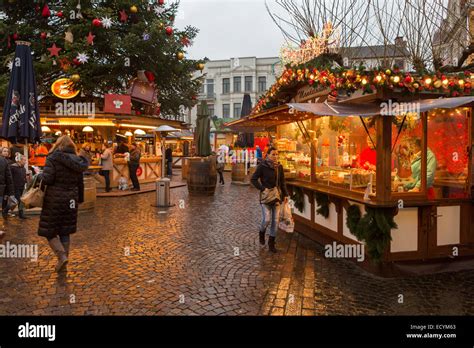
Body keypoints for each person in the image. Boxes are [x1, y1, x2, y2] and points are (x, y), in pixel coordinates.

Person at [37, 135, 88, 272]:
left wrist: (39, 175)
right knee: (65, 230)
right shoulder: (78, 161)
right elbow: (80, 184)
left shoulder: (53, 158)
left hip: (54, 198)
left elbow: (47, 179)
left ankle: (61, 256)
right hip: (71, 199)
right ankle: (63, 261)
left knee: (49, 230)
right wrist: (80, 199)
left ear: (58, 145)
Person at [251, 147, 289, 253]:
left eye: (277, 154)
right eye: (273, 154)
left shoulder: (279, 167)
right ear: (267, 155)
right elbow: (253, 179)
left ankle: (271, 243)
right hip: (266, 197)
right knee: (266, 219)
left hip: (277, 197)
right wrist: (263, 189)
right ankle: (261, 232)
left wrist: (285, 194)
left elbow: (282, 182)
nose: (275, 156)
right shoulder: (262, 166)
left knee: (275, 221)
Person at [9, 154, 29, 219]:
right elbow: (9, 177)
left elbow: (24, 178)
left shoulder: (23, 168)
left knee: (21, 201)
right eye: (24, 160)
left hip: (22, 186)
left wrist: (26, 179)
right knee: (16, 201)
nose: (25, 162)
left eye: (25, 160)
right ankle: (5, 210)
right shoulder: (12, 167)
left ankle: (21, 214)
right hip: (15, 187)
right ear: (19, 160)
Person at [0, 152, 14, 221]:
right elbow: (9, 177)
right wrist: (11, 191)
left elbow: (8, 177)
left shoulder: (4, 161)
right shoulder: (4, 161)